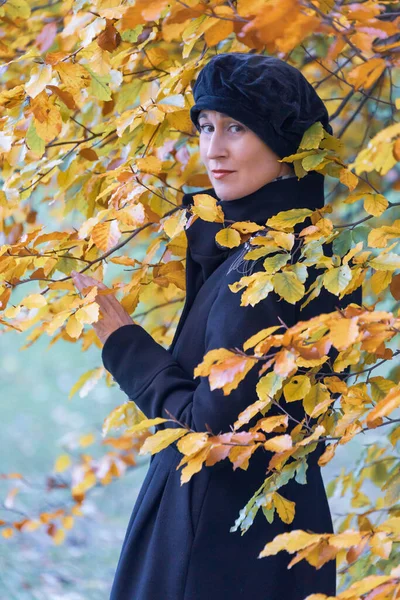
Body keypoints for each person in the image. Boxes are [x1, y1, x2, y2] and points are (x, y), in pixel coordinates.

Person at [72, 53, 361, 599]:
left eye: (236, 127)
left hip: (211, 541)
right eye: (206, 127)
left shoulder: (269, 266)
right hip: (268, 527)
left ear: (287, 145)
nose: (213, 148)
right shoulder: (314, 249)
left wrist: (123, 343)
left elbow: (214, 428)